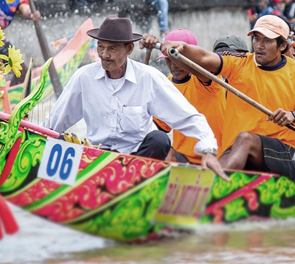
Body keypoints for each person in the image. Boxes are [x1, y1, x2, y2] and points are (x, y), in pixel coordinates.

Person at [46, 17, 227, 177]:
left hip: (137, 161)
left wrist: (208, 150)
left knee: (159, 140)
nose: (104, 55)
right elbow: (56, 121)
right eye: (100, 47)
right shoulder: (83, 77)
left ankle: (133, 183)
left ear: (129, 49)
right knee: (57, 142)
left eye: (112, 49)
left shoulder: (148, 77)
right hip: (96, 157)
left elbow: (187, 117)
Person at [158, 15, 295, 181]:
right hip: (239, 151)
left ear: (282, 45)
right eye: (256, 39)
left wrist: (293, 116)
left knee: (245, 139)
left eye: (267, 41)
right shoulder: (239, 63)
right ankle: (210, 183)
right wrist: (181, 48)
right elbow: (204, 58)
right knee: (223, 153)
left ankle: (213, 185)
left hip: (286, 155)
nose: (259, 46)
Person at [143, 30, 226, 165]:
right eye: (169, 60)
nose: (174, 66)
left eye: (178, 59)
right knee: (159, 143)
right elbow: (156, 128)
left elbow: (201, 64)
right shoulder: (167, 84)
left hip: (216, 156)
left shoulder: (209, 78)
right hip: (182, 158)